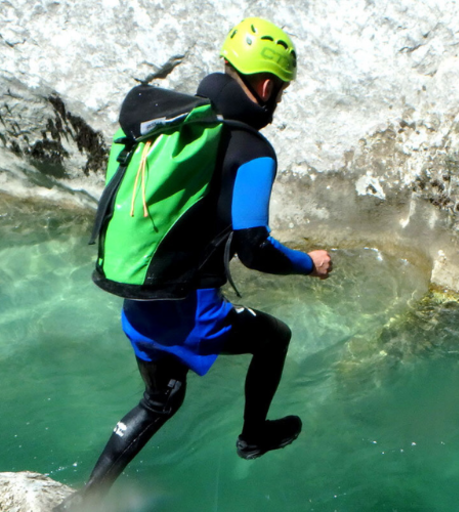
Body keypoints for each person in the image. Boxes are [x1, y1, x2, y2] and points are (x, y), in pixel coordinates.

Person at [55, 17, 332, 510]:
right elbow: (254, 248)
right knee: (275, 337)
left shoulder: (180, 128)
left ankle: (86, 499)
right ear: (266, 87)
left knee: (161, 399)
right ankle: (253, 436)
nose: (279, 100)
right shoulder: (252, 150)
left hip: (139, 301)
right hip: (191, 312)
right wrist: (307, 263)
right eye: (281, 91)